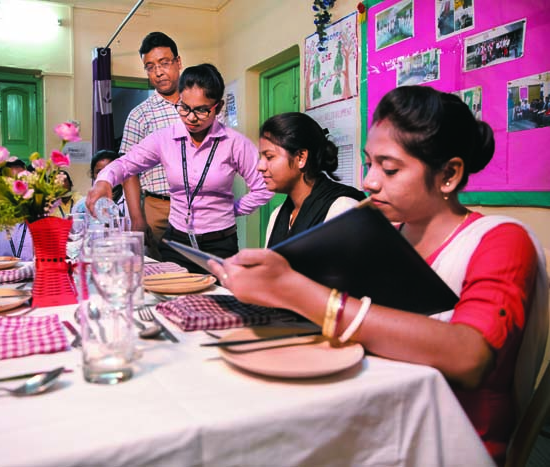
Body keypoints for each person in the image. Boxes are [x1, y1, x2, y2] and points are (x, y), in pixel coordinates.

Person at [208, 86, 547, 466]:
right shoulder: (385, 236)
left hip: (449, 441)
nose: (369, 182)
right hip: (383, 420)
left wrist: (295, 289)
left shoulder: (500, 241)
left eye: (389, 169)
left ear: (449, 174)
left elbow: (469, 356)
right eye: (369, 164)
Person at [87, 63, 272, 272]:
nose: (191, 118)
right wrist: (104, 180)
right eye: (185, 108)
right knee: (173, 301)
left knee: (218, 302)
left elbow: (263, 187)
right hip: (177, 242)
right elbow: (125, 164)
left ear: (218, 107)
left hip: (219, 244)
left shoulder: (234, 143)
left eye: (202, 110)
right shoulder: (164, 138)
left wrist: (233, 209)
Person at [119, 32, 184, 257]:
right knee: (164, 275)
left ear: (178, 62)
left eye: (164, 63)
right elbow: (128, 170)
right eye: (150, 66)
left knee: (203, 271)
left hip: (201, 204)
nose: (158, 72)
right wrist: (137, 218)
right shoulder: (139, 115)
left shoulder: (200, 104)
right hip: (159, 208)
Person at [258, 112, 365, 247]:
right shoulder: (278, 215)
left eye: (269, 157)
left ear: (301, 157)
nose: (260, 166)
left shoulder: (343, 210)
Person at [90, 150, 127, 218]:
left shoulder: (130, 200)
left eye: (110, 171)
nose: (105, 176)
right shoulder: (84, 205)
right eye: (99, 172)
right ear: (92, 174)